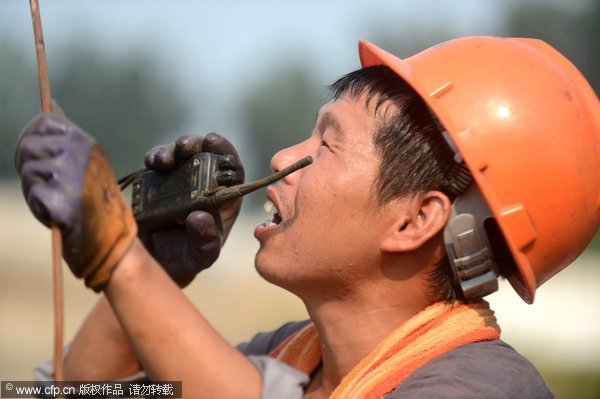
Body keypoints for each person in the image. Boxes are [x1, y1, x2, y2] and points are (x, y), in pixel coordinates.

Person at [16, 36, 599, 398]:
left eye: (327, 145)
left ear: (415, 221)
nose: (281, 159)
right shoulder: (289, 355)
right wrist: (150, 266)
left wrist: (118, 258)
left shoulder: (485, 390)